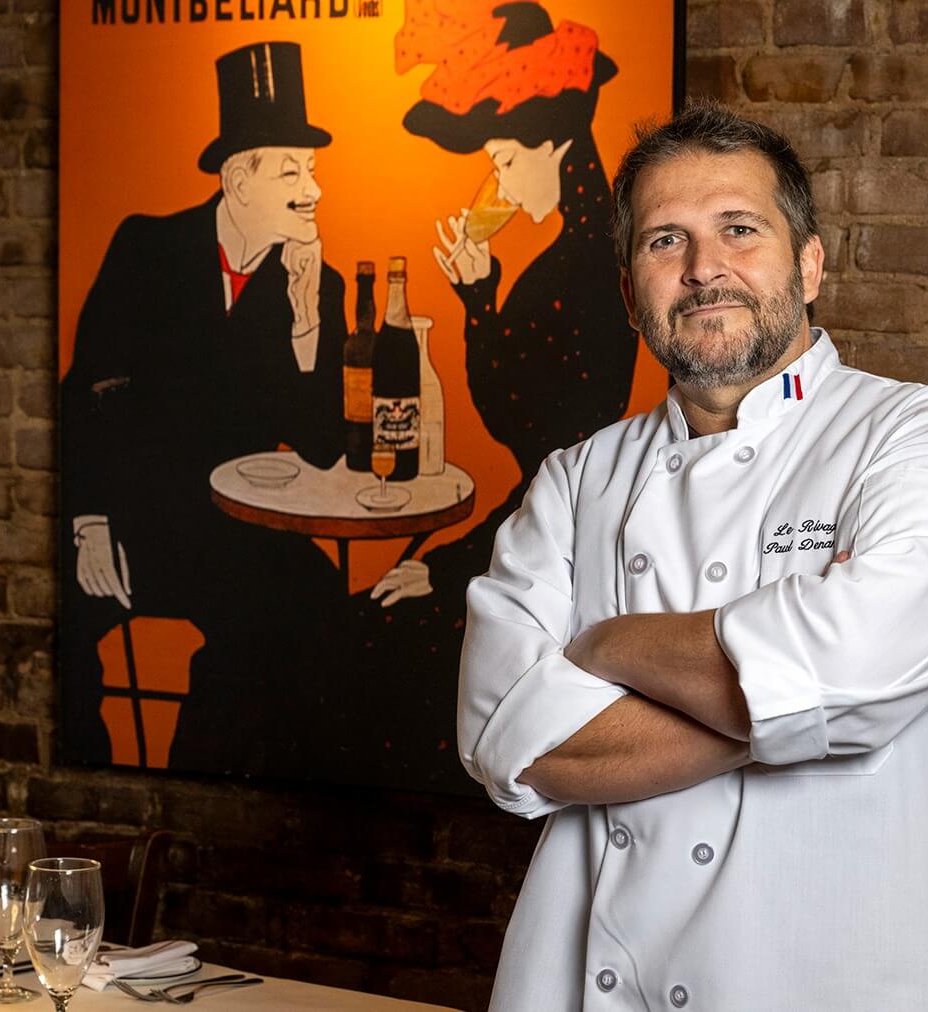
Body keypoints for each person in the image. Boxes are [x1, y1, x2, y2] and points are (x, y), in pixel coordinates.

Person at [458, 105, 928, 1010]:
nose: (703, 268)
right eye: (665, 241)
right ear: (629, 289)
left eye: (739, 229)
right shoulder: (576, 479)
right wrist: (797, 709)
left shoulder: (924, 436)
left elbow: (849, 674)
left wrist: (605, 646)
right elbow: (506, 743)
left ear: (809, 264)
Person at [341, 0, 636, 791]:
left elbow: (548, 454)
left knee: (378, 634)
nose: (496, 180)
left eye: (505, 158)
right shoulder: (567, 257)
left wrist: (450, 570)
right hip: (530, 526)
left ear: (553, 146)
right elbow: (517, 420)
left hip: (555, 553)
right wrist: (479, 297)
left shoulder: (586, 271)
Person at [60, 40, 349, 777]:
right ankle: (95, 798)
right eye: (292, 170)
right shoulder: (147, 247)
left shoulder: (319, 283)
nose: (313, 188)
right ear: (237, 178)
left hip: (239, 532)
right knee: (55, 621)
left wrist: (306, 317)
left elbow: (319, 446)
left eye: (313, 168)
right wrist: (90, 524)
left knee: (313, 601)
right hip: (134, 522)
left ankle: (208, 795)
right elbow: (85, 392)